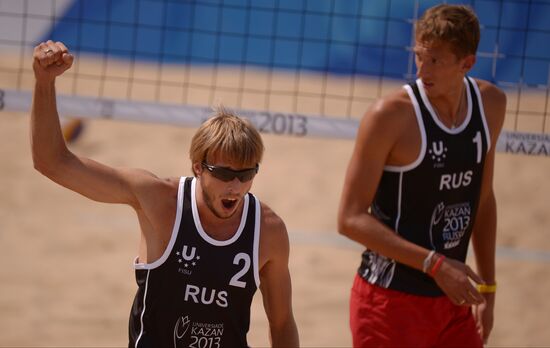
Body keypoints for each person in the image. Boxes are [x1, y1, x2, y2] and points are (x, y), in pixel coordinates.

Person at [31, 40, 299, 348]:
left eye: (245, 175)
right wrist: (44, 82)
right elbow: (52, 162)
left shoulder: (269, 229)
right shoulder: (160, 201)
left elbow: (282, 325)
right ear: (198, 167)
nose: (235, 187)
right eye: (224, 174)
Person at [338, 4, 505, 347]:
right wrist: (435, 264)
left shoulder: (491, 104)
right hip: (389, 301)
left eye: (436, 61)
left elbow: (483, 200)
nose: (422, 70)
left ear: (467, 63)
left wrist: (488, 286)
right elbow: (349, 219)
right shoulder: (390, 116)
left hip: (453, 296)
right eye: (419, 56)